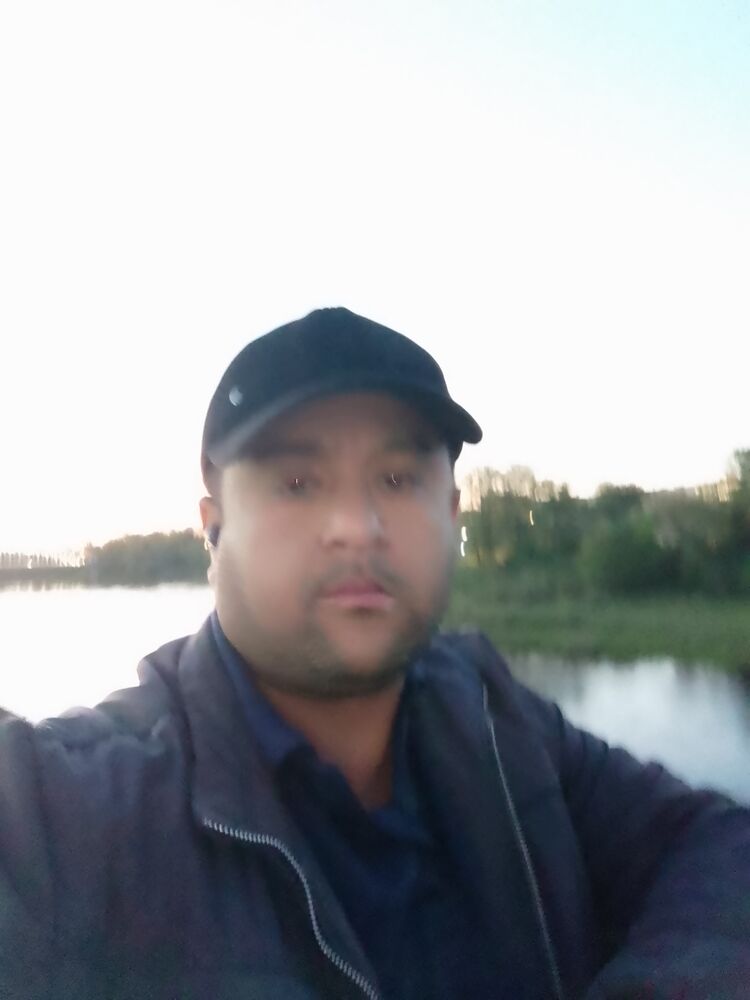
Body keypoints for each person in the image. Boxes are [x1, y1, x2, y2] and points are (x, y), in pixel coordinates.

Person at [0, 307, 748, 1000]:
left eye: (397, 479)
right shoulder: (70, 809)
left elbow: (716, 843)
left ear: (450, 513)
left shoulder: (500, 723)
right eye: (297, 482)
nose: (357, 526)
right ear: (214, 526)